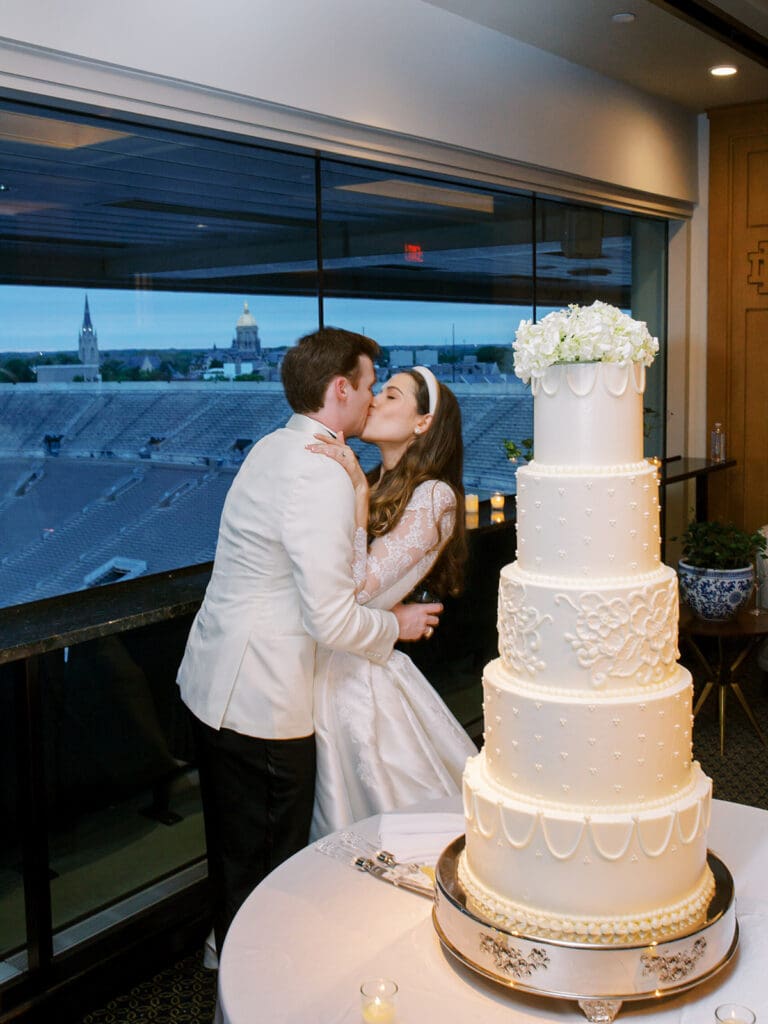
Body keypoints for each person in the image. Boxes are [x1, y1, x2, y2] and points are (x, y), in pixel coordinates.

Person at [176, 329, 442, 956]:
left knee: (233, 858)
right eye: (372, 385)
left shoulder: (273, 445)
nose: (374, 397)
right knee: (268, 872)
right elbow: (330, 618)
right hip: (262, 699)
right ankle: (254, 982)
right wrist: (394, 627)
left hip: (214, 682)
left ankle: (231, 962)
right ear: (341, 387)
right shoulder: (321, 473)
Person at [306, 366, 477, 839]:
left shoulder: (435, 497)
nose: (375, 400)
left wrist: (358, 494)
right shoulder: (378, 482)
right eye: (377, 391)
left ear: (423, 422)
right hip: (331, 663)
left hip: (356, 679)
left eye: (392, 395)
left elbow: (355, 592)